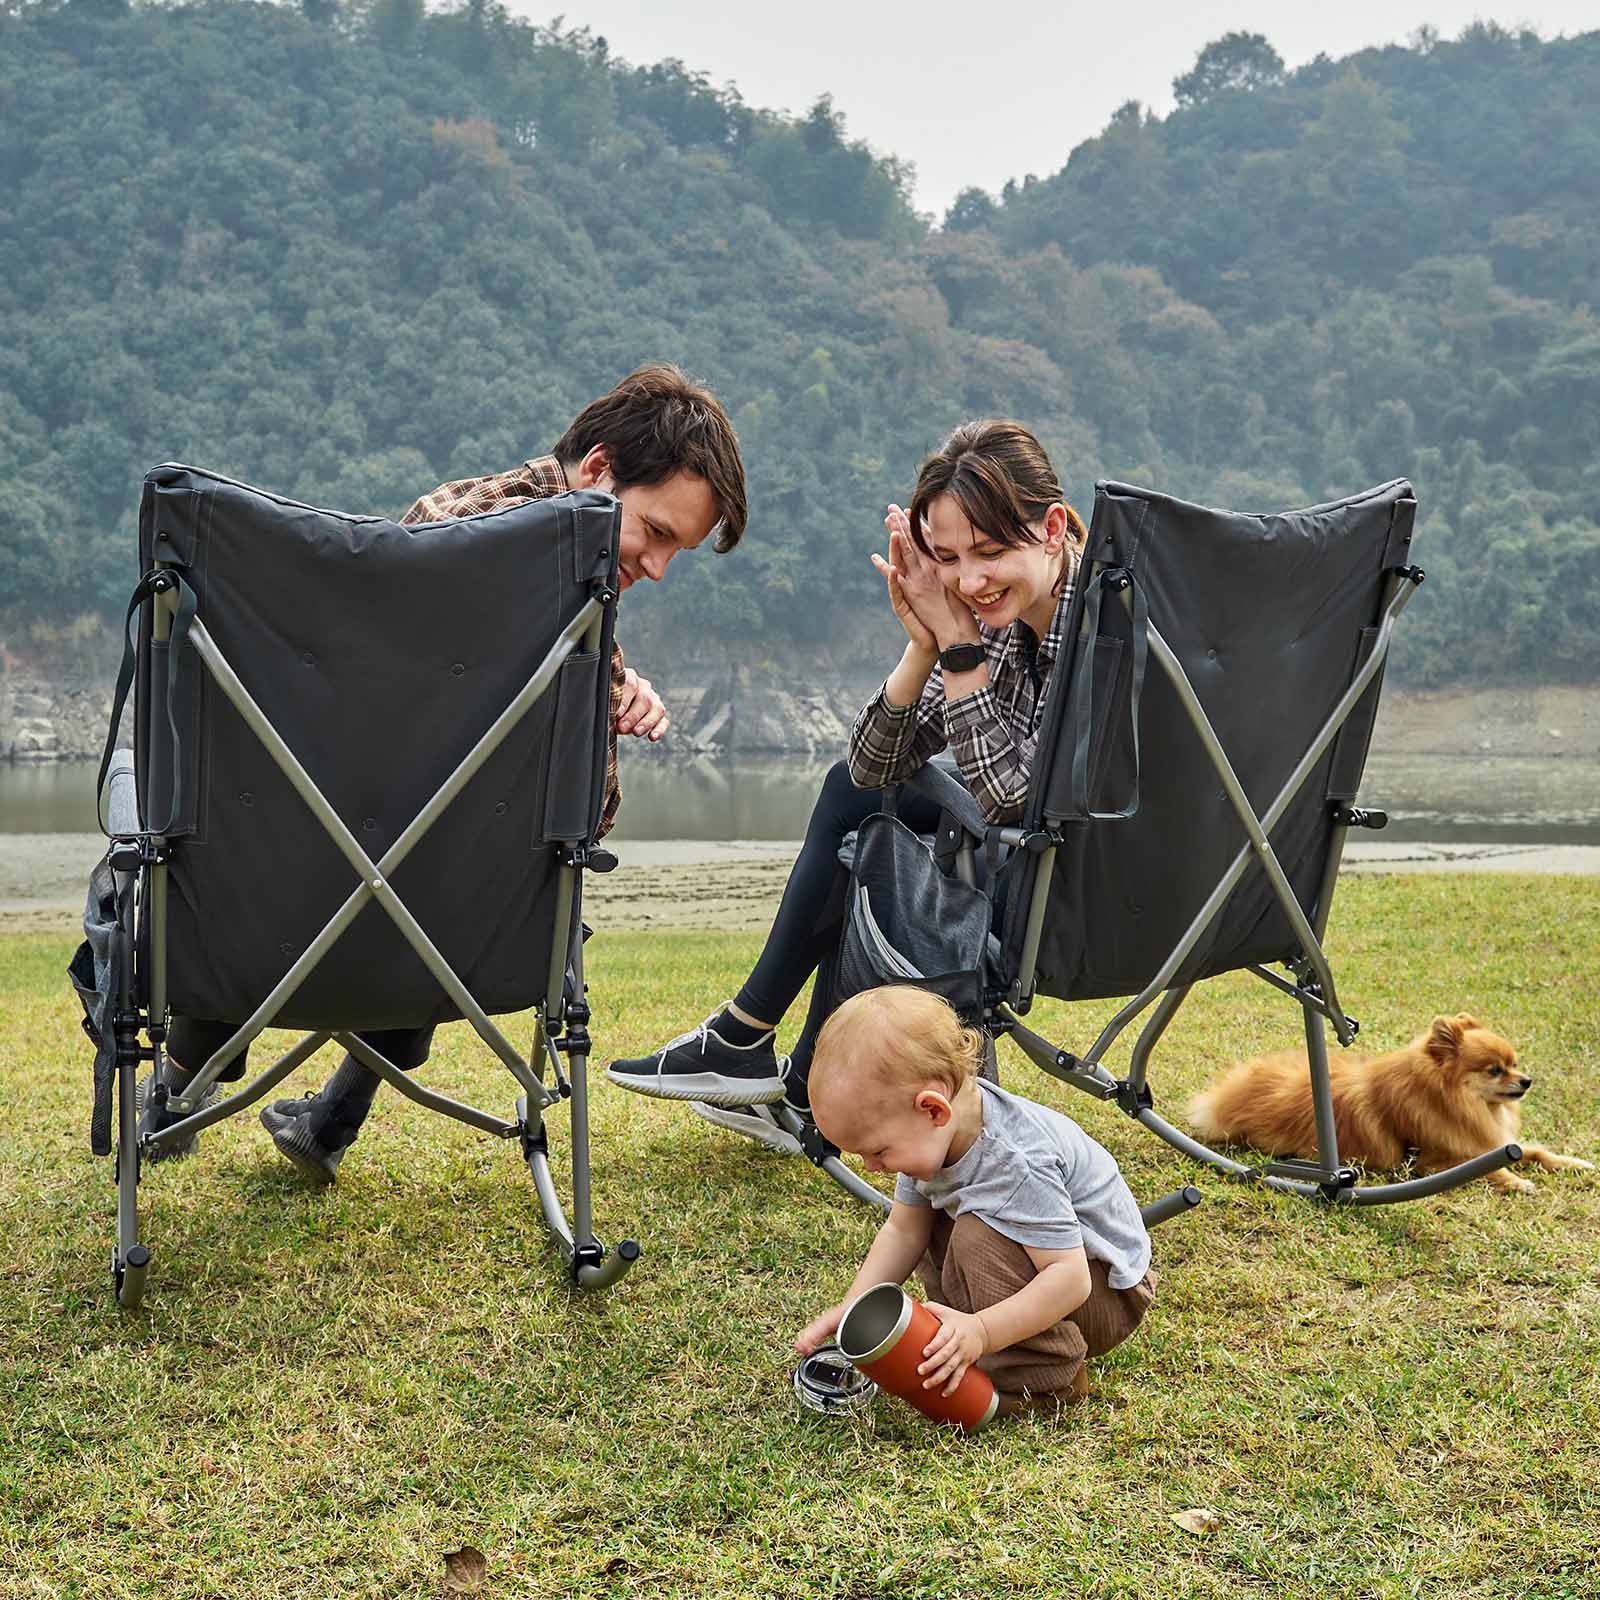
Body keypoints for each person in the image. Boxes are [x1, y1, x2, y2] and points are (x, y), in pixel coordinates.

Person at [137, 363, 749, 1183]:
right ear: (598, 470)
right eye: (660, 533)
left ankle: (179, 1090)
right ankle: (330, 1115)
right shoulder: (572, 591)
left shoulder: (440, 525)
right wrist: (605, 702)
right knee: (443, 859)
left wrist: (601, 683)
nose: (661, 566)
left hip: (273, 906)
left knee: (312, 846)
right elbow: (588, 817)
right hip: (471, 940)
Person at [606, 419, 1086, 1152]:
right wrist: (925, 643)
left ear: (1052, 528)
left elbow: (1009, 804)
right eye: (949, 558)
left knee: (865, 832)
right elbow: (868, 769)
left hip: (1075, 898)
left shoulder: (1101, 632)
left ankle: (756, 1045)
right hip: (1093, 883)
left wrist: (958, 651)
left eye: (991, 552)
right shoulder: (996, 614)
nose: (969, 580)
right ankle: (782, 1067)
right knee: (857, 815)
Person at [794, 986, 1156, 1415]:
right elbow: (903, 1230)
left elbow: (1070, 1278)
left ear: (932, 1109)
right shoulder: (931, 1139)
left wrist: (983, 1330)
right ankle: (982, 1343)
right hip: (1052, 1274)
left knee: (975, 1235)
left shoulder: (1015, 1162)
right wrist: (854, 1304)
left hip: (1105, 1295)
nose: (873, 1167)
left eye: (877, 1152)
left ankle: (1047, 1378)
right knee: (933, 1223)